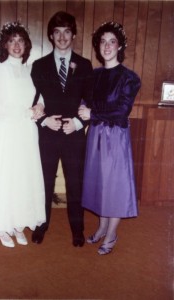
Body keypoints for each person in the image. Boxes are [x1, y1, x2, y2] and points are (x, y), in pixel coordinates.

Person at [0, 21, 46, 248]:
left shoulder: (29, 70)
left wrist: (40, 107)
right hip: (7, 132)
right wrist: (27, 112)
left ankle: (17, 223)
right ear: (5, 45)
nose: (16, 45)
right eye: (12, 41)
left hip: (27, 133)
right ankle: (3, 225)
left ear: (26, 45)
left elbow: (40, 95)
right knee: (6, 178)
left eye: (20, 41)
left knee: (23, 179)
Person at [31, 11, 93, 247]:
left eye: (67, 31)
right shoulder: (39, 66)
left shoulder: (85, 65)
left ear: (74, 35)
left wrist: (78, 123)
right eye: (57, 32)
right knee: (44, 181)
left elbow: (91, 102)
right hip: (47, 133)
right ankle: (41, 224)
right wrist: (44, 120)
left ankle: (77, 229)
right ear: (51, 36)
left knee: (75, 182)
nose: (62, 37)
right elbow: (32, 101)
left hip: (74, 134)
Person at [78, 21, 141, 255]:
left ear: (119, 46)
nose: (107, 46)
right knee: (99, 183)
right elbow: (87, 102)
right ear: (98, 46)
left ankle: (112, 234)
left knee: (113, 186)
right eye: (103, 42)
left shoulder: (129, 78)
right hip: (96, 135)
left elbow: (121, 110)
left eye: (111, 41)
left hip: (115, 137)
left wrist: (93, 112)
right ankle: (103, 226)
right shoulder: (93, 76)